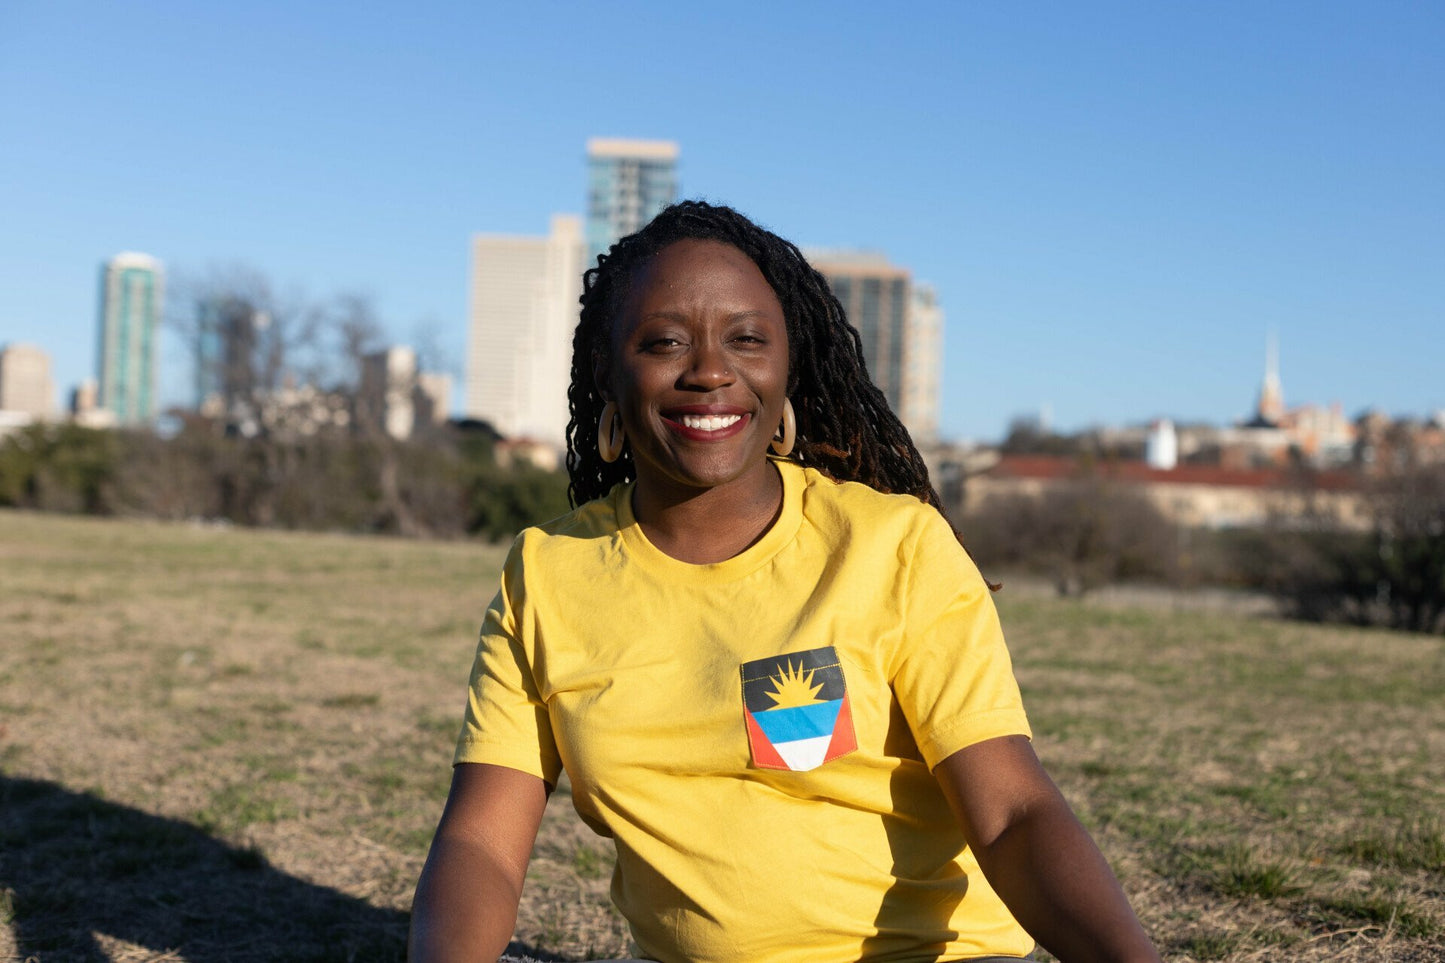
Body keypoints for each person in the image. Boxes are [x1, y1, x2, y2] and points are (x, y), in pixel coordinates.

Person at [409, 201, 1161, 963]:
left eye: (747, 339)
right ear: (608, 368)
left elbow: (1012, 815)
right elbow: (482, 843)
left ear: (785, 366)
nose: (708, 370)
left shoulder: (891, 545)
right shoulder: (546, 573)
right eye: (665, 341)